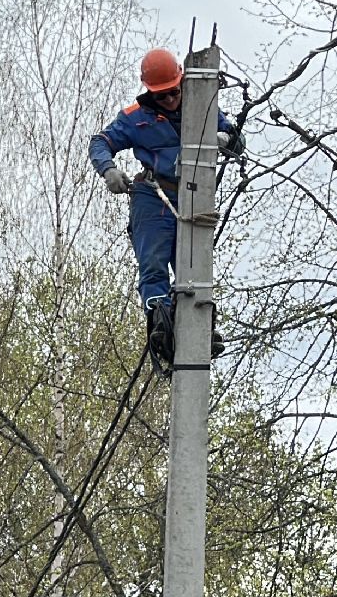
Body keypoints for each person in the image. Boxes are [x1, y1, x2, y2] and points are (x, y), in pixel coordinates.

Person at [89, 48, 244, 365]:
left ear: (181, 83)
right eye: (163, 95)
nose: (171, 99)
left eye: (174, 91)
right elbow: (100, 142)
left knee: (194, 270)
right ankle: (162, 324)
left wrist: (224, 140)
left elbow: (237, 141)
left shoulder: (202, 106)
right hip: (153, 197)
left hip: (194, 200)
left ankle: (198, 325)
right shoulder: (135, 118)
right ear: (151, 93)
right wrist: (108, 170)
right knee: (154, 264)